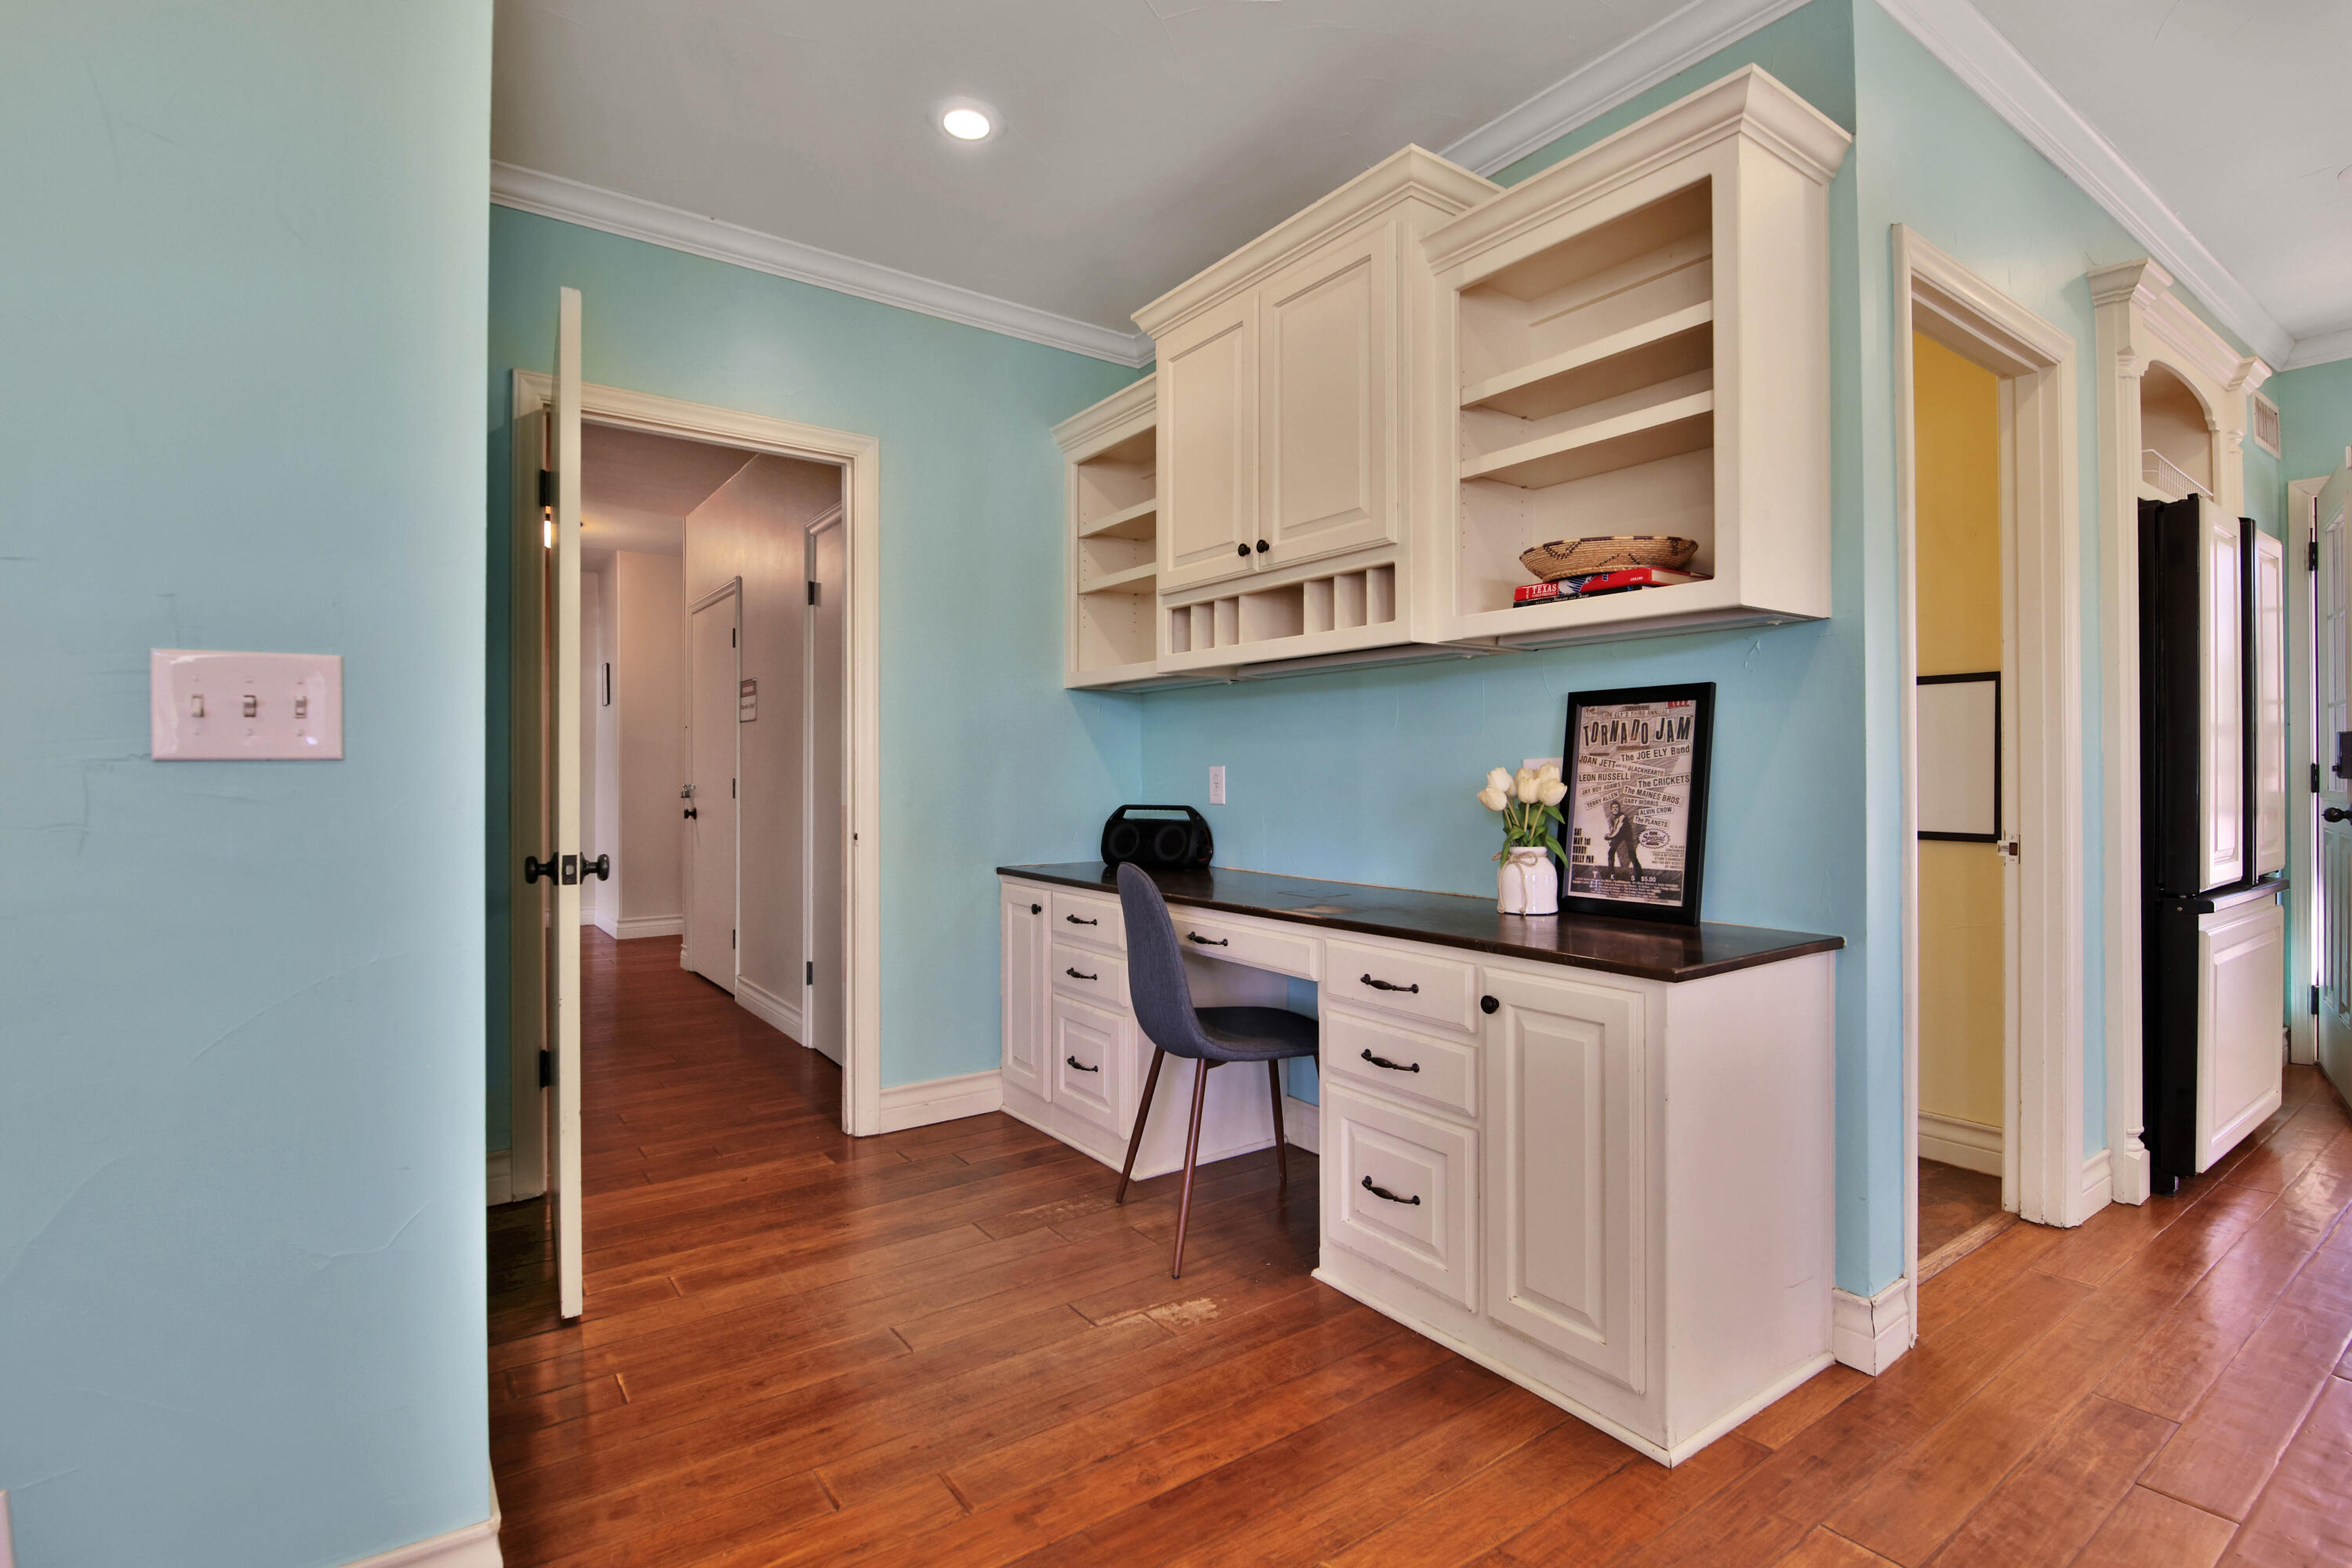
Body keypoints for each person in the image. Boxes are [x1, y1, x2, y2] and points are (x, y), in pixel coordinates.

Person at [1604, 799, 1642, 875]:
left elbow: (1618, 829)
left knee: (1632, 854)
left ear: (1619, 808)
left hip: (1628, 835)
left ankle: (1639, 873)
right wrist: (1610, 837)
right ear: (1611, 809)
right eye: (1613, 808)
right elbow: (1614, 830)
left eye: (1616, 807)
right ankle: (1611, 873)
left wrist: (1610, 836)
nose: (1615, 809)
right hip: (1619, 836)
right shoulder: (1614, 818)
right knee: (1611, 852)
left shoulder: (1622, 816)